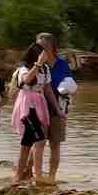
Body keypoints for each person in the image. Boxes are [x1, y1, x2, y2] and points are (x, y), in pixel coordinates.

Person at [11, 43, 51, 184]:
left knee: (27, 143)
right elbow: (25, 80)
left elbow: (47, 89)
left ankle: (20, 175)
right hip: (27, 105)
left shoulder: (45, 69)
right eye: (43, 54)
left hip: (40, 103)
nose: (46, 56)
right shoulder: (24, 68)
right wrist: (38, 64)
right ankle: (35, 174)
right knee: (38, 139)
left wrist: (57, 109)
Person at [36, 32, 71, 184]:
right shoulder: (34, 64)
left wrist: (64, 108)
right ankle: (34, 175)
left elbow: (70, 84)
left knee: (55, 144)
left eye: (43, 46)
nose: (40, 49)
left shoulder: (62, 64)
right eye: (38, 46)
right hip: (37, 107)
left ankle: (51, 177)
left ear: (52, 47)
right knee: (38, 143)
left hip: (59, 107)